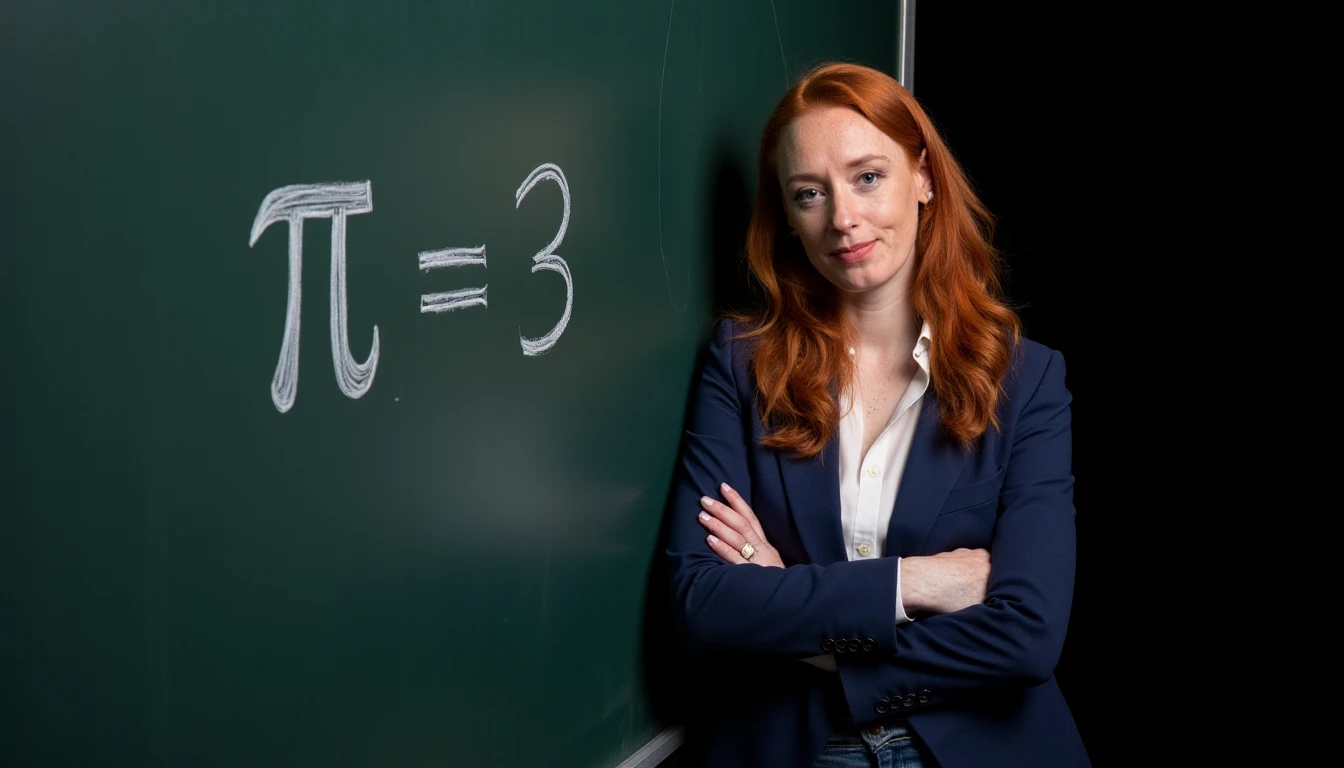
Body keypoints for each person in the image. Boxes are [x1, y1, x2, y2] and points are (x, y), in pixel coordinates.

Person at [663, 62, 1088, 768]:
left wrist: (789, 608)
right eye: (810, 194)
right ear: (789, 220)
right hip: (789, 745)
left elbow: (1029, 636)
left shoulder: (1028, 379)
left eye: (867, 177)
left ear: (922, 178)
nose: (843, 218)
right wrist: (920, 582)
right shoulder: (741, 363)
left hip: (985, 747)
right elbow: (702, 603)